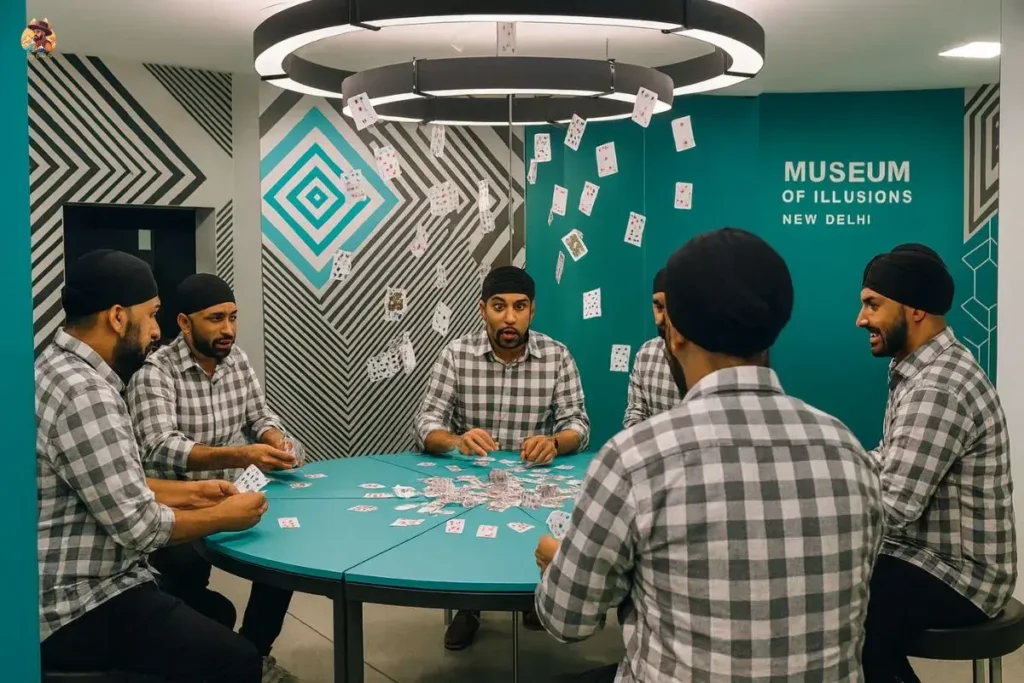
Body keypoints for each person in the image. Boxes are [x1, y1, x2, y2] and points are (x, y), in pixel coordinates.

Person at [533, 228, 884, 682]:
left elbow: (565, 619)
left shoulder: (633, 459)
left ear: (673, 332)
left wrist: (559, 561)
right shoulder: (849, 450)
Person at [37, 250, 266, 683]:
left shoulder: (56, 367)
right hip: (79, 600)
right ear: (119, 318)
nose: (156, 332)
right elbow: (140, 526)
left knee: (216, 611)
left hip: (67, 584)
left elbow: (116, 482)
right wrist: (222, 517)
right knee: (236, 660)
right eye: (153, 316)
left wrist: (197, 492)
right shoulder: (88, 393)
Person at [126, 273, 303, 683]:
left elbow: (259, 415)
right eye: (215, 319)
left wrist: (274, 438)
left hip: (237, 491)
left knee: (283, 561)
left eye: (233, 318)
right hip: (178, 501)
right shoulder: (155, 371)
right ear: (184, 323)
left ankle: (256, 653)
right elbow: (159, 446)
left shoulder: (236, 359)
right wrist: (242, 453)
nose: (228, 330)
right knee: (189, 578)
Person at [856, 244, 1016, 682]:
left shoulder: (938, 387)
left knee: (843, 606)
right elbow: (889, 460)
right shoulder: (919, 371)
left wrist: (823, 512)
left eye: (873, 304)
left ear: (915, 310)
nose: (861, 319)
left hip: (962, 576)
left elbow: (894, 507)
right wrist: (839, 469)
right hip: (926, 556)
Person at [414, 265, 591, 650]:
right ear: (483, 310)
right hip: (472, 483)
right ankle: (469, 606)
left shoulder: (558, 356)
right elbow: (426, 422)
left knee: (538, 528)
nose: (509, 318)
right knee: (472, 542)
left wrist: (556, 443)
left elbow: (578, 422)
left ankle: (534, 595)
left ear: (532, 311)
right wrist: (456, 440)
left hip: (537, 479)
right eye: (499, 306)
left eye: (519, 307)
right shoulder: (456, 355)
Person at [623, 268, 681, 428]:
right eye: (658, 307)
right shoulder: (646, 354)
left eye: (670, 308)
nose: (662, 319)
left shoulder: (710, 355)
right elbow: (634, 417)